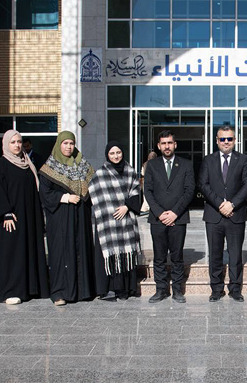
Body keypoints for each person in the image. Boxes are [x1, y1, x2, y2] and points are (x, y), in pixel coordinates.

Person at [0, 130, 49, 305]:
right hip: (11, 218)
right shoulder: (0, 165)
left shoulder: (27, 164)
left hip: (29, 216)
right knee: (12, 253)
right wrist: (6, 213)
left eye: (19, 142)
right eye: (13, 142)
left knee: (28, 249)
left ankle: (30, 288)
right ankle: (11, 291)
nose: (17, 145)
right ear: (6, 144)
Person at [39, 130, 97, 306]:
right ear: (59, 145)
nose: (69, 147)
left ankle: (83, 291)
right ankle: (60, 293)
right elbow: (45, 193)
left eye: (71, 143)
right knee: (62, 253)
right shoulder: (50, 167)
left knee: (82, 250)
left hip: (81, 215)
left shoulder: (82, 164)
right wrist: (65, 198)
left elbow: (93, 185)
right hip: (61, 218)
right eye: (65, 143)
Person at [199, 125, 247, 302]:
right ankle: (216, 289)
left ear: (235, 140)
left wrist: (232, 204)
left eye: (229, 139)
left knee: (235, 254)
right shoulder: (208, 160)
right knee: (215, 254)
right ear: (217, 141)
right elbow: (203, 184)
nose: (226, 142)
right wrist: (220, 204)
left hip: (236, 215)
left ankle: (235, 289)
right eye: (222, 139)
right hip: (214, 215)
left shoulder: (243, 159)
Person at [143, 130, 195, 303]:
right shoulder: (151, 165)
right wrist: (160, 213)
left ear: (175, 144)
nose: (167, 146)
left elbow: (189, 190)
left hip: (178, 218)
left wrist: (174, 213)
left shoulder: (186, 164)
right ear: (159, 146)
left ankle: (177, 290)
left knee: (177, 256)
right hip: (157, 219)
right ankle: (161, 290)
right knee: (159, 257)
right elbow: (148, 191)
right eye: (164, 143)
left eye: (170, 143)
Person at [89, 141, 143, 301]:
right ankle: (110, 289)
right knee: (111, 255)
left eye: (118, 152)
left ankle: (126, 289)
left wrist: (127, 206)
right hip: (108, 223)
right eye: (112, 153)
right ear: (107, 155)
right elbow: (95, 194)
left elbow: (136, 193)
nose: (116, 156)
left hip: (126, 221)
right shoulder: (100, 174)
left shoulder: (130, 171)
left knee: (126, 254)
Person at [140, 149, 158, 215]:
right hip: (154, 181)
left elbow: (142, 174)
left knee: (146, 196)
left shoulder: (145, 164)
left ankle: (144, 209)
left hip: (145, 181)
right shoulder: (157, 164)